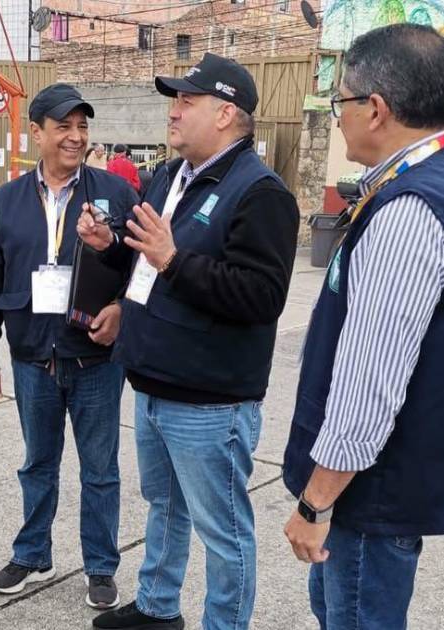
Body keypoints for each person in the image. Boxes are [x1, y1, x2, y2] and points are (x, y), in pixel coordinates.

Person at [281, 24, 444, 630]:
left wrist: (316, 500)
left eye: (340, 101)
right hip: (392, 478)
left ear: (376, 108)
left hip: (372, 490)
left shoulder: (411, 210)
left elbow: (370, 382)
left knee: (356, 615)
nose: (338, 117)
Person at [79, 53, 300, 630]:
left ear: (225, 113)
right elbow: (147, 263)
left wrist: (173, 260)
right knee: (165, 507)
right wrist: (110, 246)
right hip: (153, 381)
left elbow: (260, 297)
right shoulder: (168, 176)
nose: (173, 111)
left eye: (186, 100)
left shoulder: (261, 193)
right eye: (174, 100)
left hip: (210, 401)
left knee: (223, 532)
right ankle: (158, 607)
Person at [0, 83, 139, 609]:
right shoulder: (8, 200)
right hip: (32, 359)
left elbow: (145, 269)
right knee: (37, 465)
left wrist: (123, 310)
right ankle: (32, 554)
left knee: (101, 470)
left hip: (96, 361)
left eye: (82, 126)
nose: (75, 136)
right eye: (63, 126)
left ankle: (101, 566)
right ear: (36, 133)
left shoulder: (116, 194)